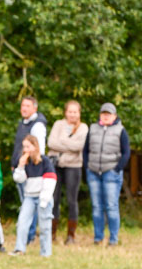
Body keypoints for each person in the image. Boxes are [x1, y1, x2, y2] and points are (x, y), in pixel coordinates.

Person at [83, 102, 130, 246]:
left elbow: (126, 152)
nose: (105, 116)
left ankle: (113, 238)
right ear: (100, 115)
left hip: (111, 172)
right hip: (93, 172)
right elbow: (85, 150)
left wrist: (117, 169)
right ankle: (98, 237)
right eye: (103, 113)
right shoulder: (92, 128)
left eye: (108, 114)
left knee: (111, 206)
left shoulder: (121, 130)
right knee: (97, 206)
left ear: (114, 116)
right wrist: (87, 166)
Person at [47, 101, 88, 244]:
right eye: (70, 111)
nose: (72, 114)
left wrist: (62, 142)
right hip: (56, 165)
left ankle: (71, 235)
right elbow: (51, 143)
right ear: (65, 112)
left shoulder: (83, 128)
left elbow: (79, 146)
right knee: (54, 198)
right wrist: (68, 146)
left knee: (72, 200)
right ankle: (51, 233)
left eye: (75, 112)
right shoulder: (58, 124)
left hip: (74, 166)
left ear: (79, 113)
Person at [10, 135, 57, 257]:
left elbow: (51, 179)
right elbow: (18, 179)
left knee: (45, 226)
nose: (26, 150)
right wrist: (20, 166)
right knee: (22, 222)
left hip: (43, 197)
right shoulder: (26, 162)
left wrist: (44, 200)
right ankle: (19, 249)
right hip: (29, 197)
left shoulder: (45, 161)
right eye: (24, 147)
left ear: (35, 146)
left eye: (28, 146)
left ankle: (45, 253)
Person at [11, 96, 47, 244]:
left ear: (35, 108)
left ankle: (30, 236)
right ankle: (27, 235)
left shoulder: (38, 125)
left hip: (29, 170)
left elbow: (38, 150)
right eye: (22, 105)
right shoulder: (23, 123)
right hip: (19, 168)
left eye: (27, 106)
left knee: (29, 204)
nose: (24, 108)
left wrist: (26, 165)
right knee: (24, 202)